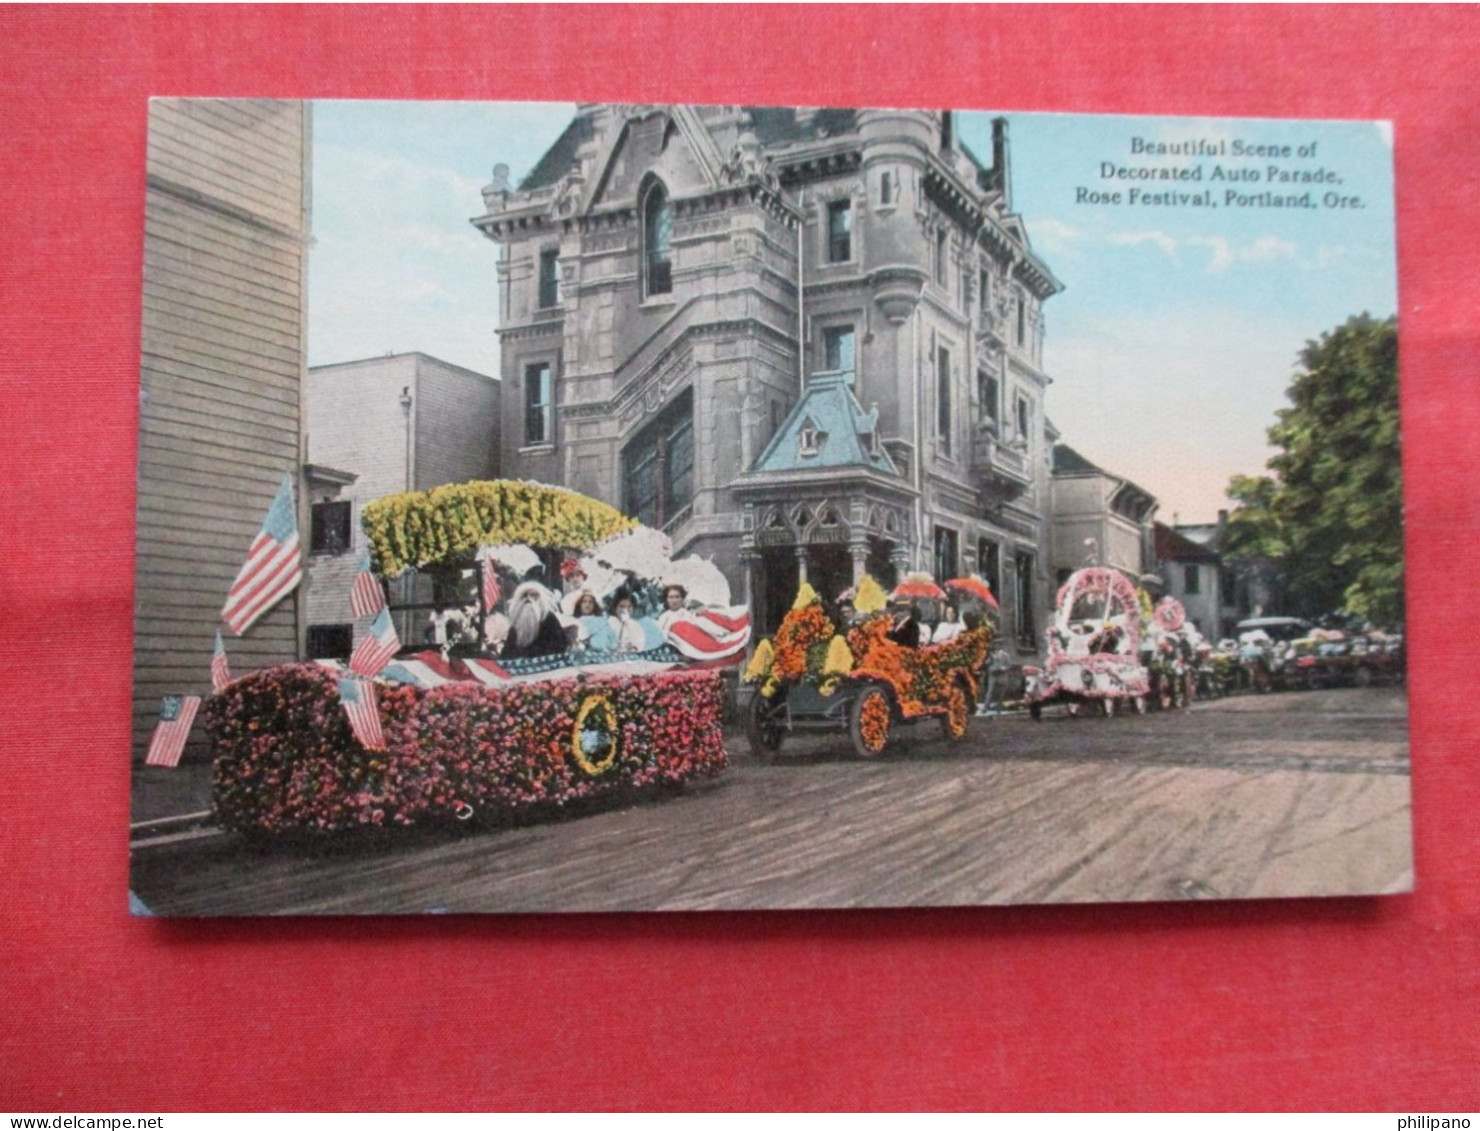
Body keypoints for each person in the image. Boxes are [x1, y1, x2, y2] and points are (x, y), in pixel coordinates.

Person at [501, 580, 570, 659]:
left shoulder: (549, 618)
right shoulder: (516, 622)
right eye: (525, 595)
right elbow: (507, 651)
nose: (528, 599)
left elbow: (560, 645)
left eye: (533, 595)